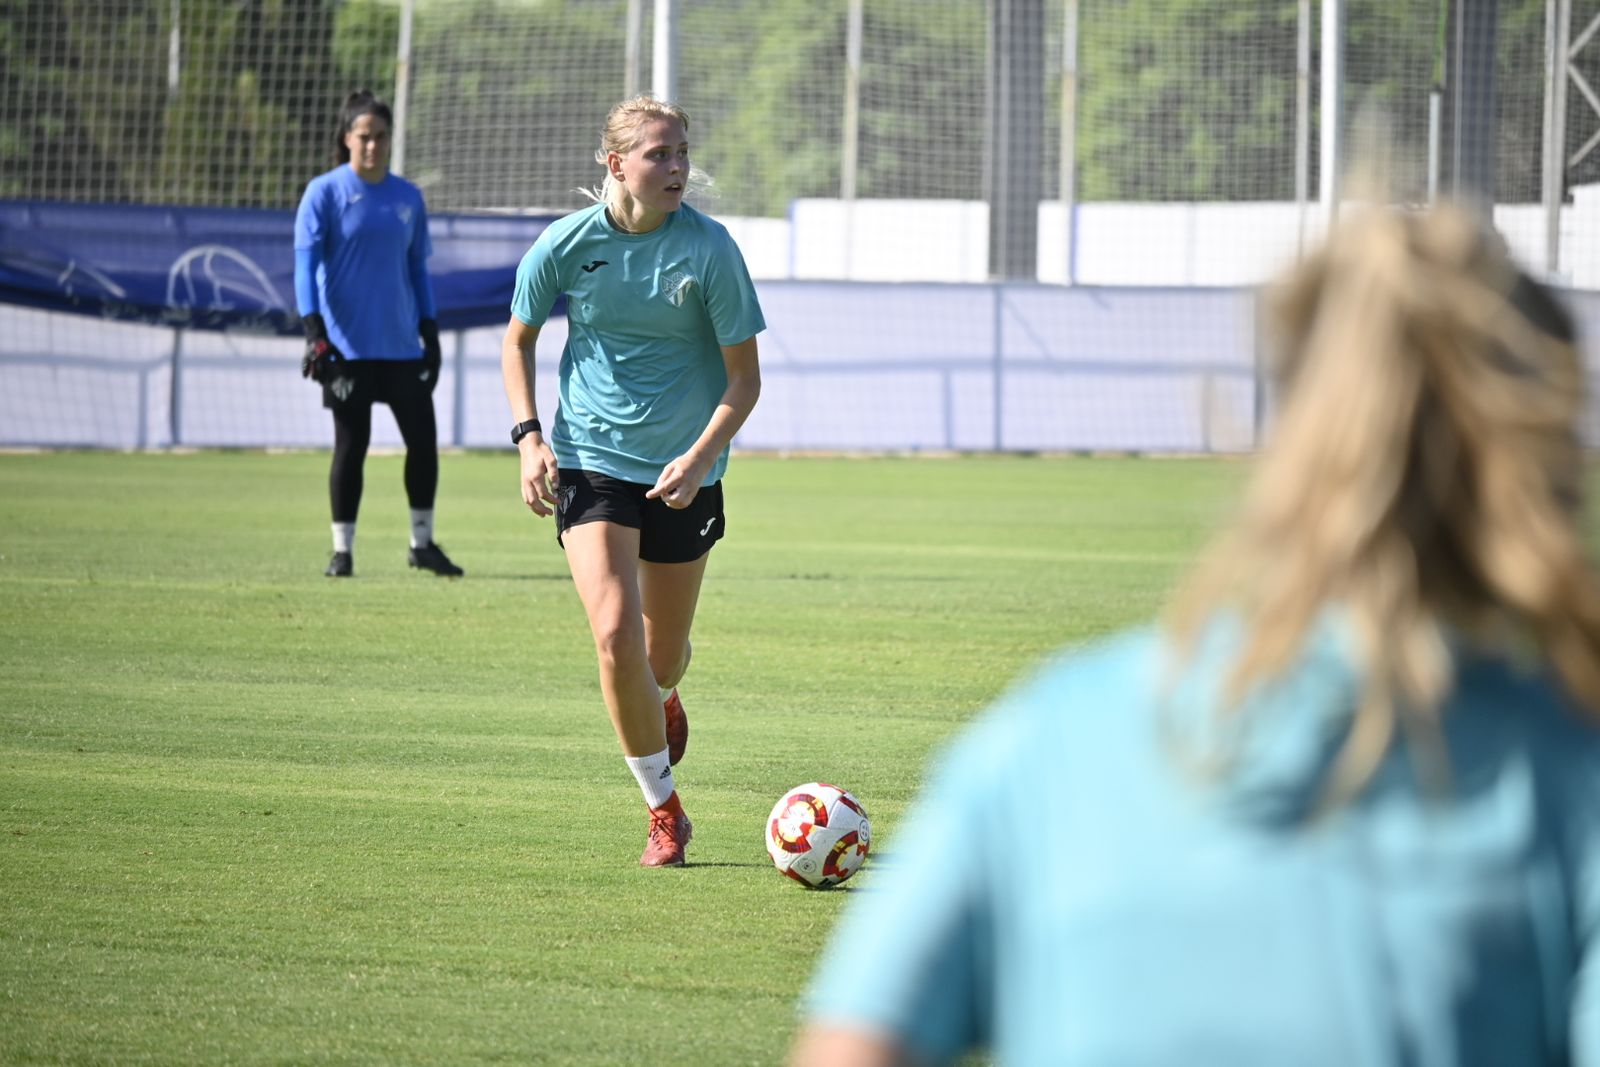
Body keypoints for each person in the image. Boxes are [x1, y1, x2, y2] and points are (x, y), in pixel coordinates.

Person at [790, 204, 1600, 1066]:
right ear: (1534, 457)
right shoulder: (1566, 781)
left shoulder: (1053, 737)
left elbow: (851, 1049)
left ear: (1286, 432)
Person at [500, 95, 764, 867]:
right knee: (613, 633)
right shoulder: (564, 244)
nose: (678, 166)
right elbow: (516, 343)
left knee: (658, 657)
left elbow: (745, 381)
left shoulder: (710, 250)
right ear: (617, 163)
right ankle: (664, 810)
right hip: (590, 460)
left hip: (687, 471)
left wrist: (699, 453)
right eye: (660, 154)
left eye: (682, 152)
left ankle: (665, 696)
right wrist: (529, 439)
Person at [293, 88, 463, 579]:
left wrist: (429, 332)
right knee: (352, 446)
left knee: (424, 444)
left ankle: (422, 544)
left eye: (380, 137)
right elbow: (304, 270)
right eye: (364, 137)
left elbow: (417, 272)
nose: (372, 146)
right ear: (347, 139)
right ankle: (342, 551)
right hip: (344, 349)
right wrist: (314, 335)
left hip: (401, 349)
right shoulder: (322, 193)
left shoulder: (407, 197)